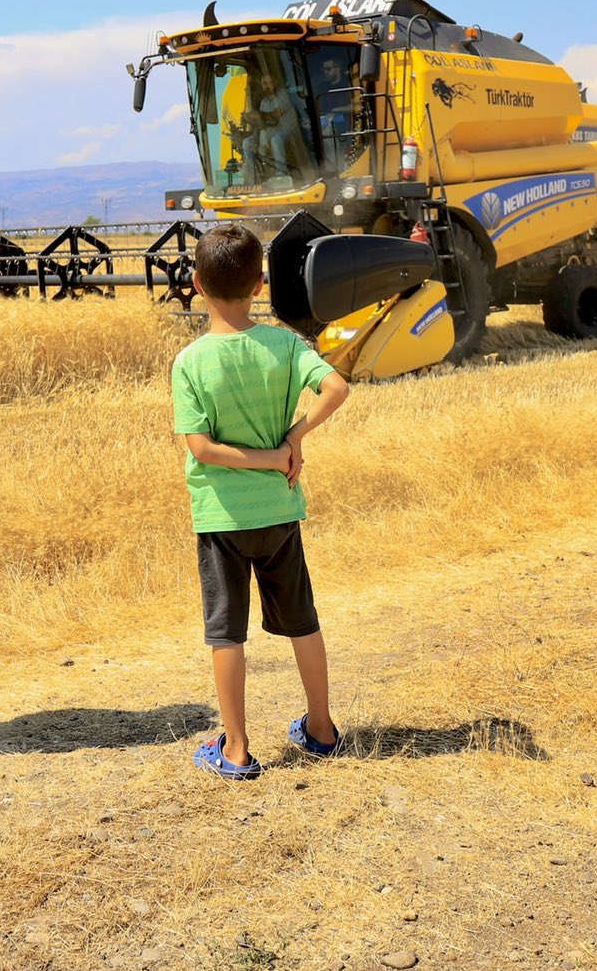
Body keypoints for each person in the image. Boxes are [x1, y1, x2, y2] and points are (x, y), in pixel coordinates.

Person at [169, 223, 352, 778]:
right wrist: (291, 441)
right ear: (261, 283)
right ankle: (321, 727)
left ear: (197, 284)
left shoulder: (191, 361)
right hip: (280, 513)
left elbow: (201, 448)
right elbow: (337, 389)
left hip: (221, 518)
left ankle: (236, 750)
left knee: (226, 634)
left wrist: (271, 455)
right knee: (302, 622)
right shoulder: (285, 344)